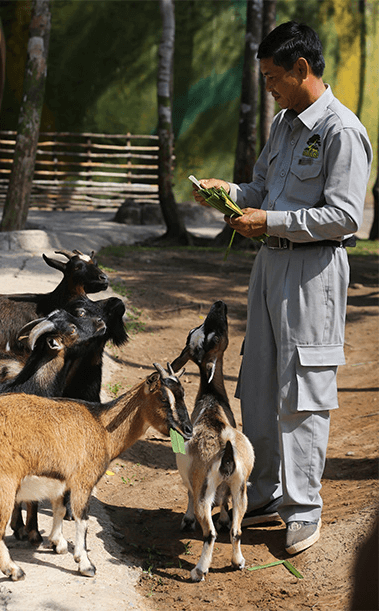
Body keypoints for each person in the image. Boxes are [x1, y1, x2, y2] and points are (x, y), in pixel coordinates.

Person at [193, 21, 372, 555]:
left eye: (274, 78)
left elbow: (344, 217)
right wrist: (229, 193)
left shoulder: (341, 131)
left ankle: (304, 509)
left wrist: (270, 222)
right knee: (263, 383)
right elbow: (262, 190)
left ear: (301, 69)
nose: (269, 87)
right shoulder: (284, 124)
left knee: (303, 390)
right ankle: (266, 489)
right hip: (269, 268)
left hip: (313, 273)